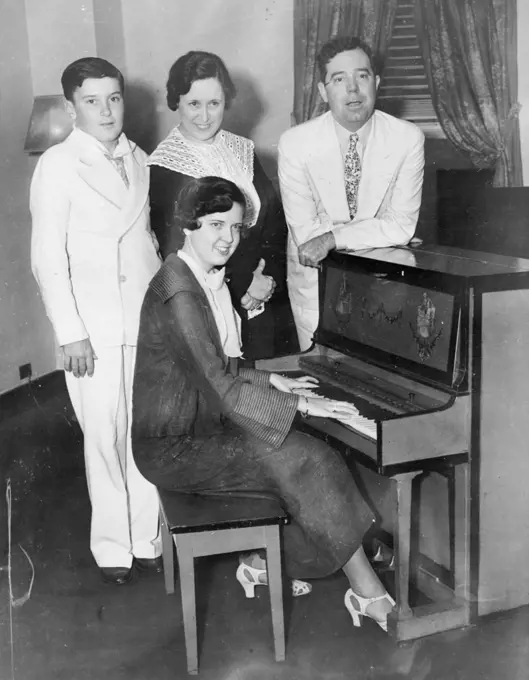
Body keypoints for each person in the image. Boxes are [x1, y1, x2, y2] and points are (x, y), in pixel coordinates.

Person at [132, 176, 396, 630]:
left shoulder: (193, 275)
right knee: (308, 458)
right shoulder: (179, 292)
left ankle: (264, 562)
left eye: (236, 228)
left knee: (299, 458)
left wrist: (275, 379)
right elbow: (221, 385)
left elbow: (217, 369)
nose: (228, 239)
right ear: (187, 226)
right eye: (216, 225)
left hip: (199, 426)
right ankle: (365, 589)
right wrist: (307, 407)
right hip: (174, 446)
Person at [30, 57, 162, 585]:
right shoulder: (58, 165)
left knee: (145, 431)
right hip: (94, 329)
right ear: (70, 107)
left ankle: (146, 537)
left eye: (113, 98)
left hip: (144, 322)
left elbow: (145, 242)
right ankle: (112, 547)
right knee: (102, 436)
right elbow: (46, 258)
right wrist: (71, 333)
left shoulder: (140, 158)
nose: (105, 110)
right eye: (91, 100)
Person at [148, 50, 299, 361]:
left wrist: (267, 278)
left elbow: (273, 220)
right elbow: (178, 251)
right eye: (194, 104)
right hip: (214, 302)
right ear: (176, 101)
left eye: (214, 104)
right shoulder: (164, 166)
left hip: (265, 295)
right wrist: (245, 284)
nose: (204, 116)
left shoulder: (241, 148)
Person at [278, 36, 425, 351]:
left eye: (362, 75)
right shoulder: (295, 144)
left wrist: (332, 238)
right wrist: (379, 233)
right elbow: (306, 236)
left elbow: (401, 225)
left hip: (383, 289)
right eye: (339, 79)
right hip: (317, 289)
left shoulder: (408, 139)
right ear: (322, 91)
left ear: (377, 82)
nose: (353, 89)